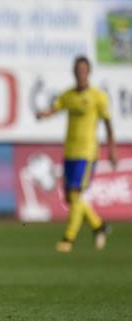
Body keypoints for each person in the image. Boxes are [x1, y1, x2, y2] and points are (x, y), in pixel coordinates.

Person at [36, 55, 116, 253]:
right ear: (74, 72)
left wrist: (112, 149)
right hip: (70, 151)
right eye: (77, 70)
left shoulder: (98, 96)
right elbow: (54, 108)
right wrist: (43, 114)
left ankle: (68, 239)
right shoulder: (68, 95)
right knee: (71, 199)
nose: (80, 73)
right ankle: (99, 226)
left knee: (75, 194)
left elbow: (108, 123)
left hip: (87, 153)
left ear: (89, 72)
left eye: (84, 70)